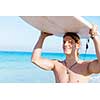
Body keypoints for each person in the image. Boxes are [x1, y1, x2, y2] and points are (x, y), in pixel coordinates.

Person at [31, 25, 100, 83]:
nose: (66, 44)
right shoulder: (57, 65)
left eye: (70, 42)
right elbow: (35, 60)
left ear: (78, 45)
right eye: (64, 42)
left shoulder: (86, 66)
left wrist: (95, 37)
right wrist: (42, 37)